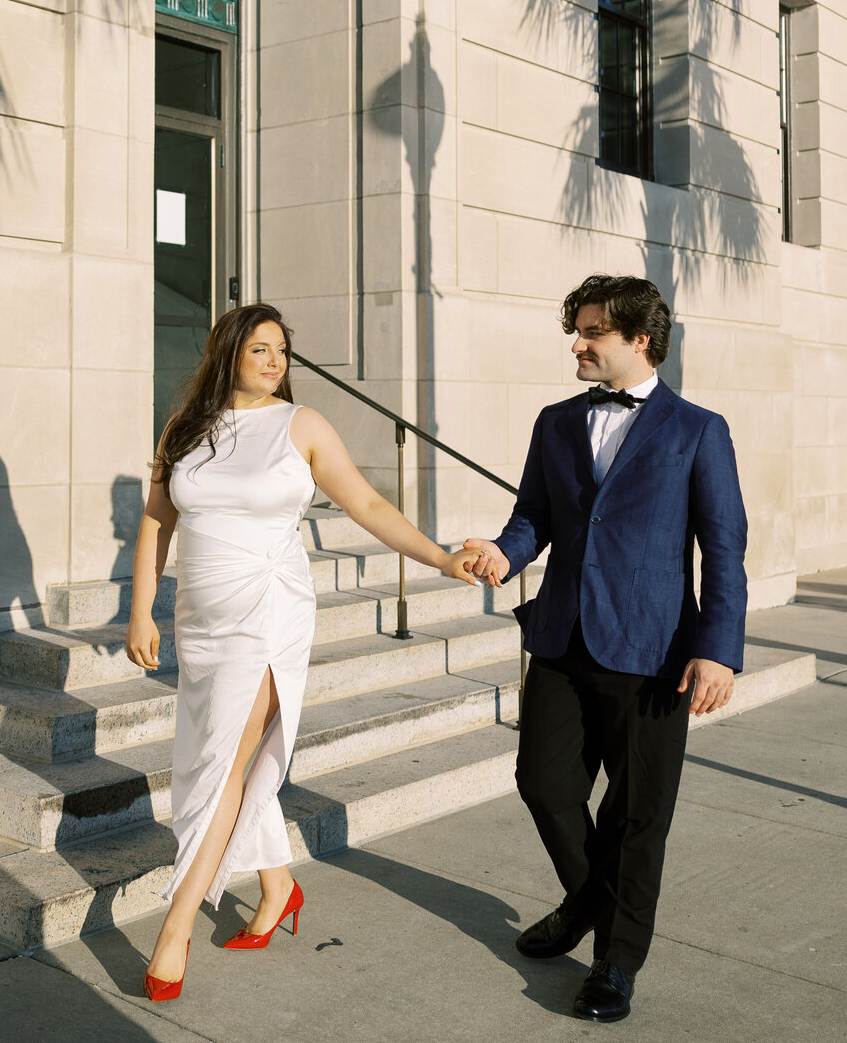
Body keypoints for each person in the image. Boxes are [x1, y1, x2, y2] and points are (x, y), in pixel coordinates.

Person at [126, 301, 486, 1002]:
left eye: (282, 351)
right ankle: (279, 887)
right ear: (227, 352)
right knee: (222, 758)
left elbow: (370, 507)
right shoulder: (185, 430)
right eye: (260, 349)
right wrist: (140, 611)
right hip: (202, 618)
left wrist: (441, 559)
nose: (273, 362)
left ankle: (175, 931)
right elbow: (155, 522)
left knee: (221, 766)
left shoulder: (303, 426)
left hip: (269, 612)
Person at [465, 274, 748, 1025]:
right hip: (562, 637)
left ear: (640, 340)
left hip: (657, 651)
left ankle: (615, 962)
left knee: (637, 817)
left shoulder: (697, 430)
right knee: (544, 784)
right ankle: (591, 901)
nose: (577, 343)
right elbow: (533, 516)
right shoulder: (556, 422)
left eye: (592, 332)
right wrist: (503, 551)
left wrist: (717, 649)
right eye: (579, 329)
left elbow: (723, 548)